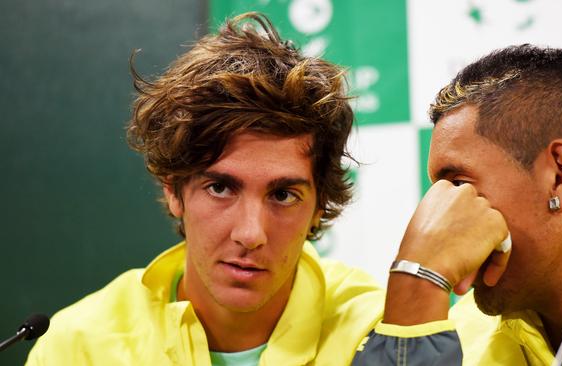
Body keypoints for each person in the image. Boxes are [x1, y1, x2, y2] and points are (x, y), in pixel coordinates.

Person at [26, 12, 384, 365]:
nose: (250, 234)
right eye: (220, 188)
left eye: (282, 195)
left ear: (320, 205)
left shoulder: (377, 335)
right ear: (173, 188)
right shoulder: (78, 348)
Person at [353, 44, 562, 365]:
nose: (440, 215)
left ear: (559, 176)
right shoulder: (464, 338)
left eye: (459, 185)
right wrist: (416, 284)